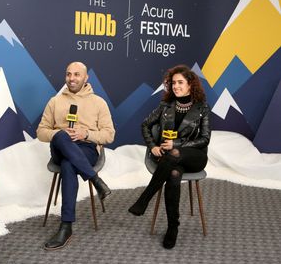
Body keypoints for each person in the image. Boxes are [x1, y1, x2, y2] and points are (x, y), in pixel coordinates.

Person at [128, 64, 211, 249]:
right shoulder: (166, 106)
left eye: (180, 82)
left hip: (195, 156)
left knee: (174, 153)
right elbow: (145, 125)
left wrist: (177, 144)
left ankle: (144, 198)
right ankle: (173, 227)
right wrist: (152, 146)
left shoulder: (202, 108)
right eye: (173, 83)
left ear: (190, 84)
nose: (176, 86)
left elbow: (205, 139)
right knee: (173, 175)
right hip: (169, 159)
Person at [37, 61, 115, 250]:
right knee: (63, 136)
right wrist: (59, 133)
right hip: (60, 146)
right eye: (68, 74)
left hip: (86, 148)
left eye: (76, 75)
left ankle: (66, 226)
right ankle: (95, 180)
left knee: (68, 165)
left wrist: (85, 134)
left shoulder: (98, 103)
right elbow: (41, 132)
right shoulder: (55, 101)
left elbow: (109, 135)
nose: (71, 78)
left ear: (86, 78)